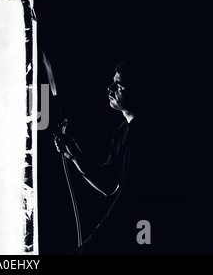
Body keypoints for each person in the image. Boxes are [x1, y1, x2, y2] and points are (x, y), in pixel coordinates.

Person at [54, 60, 159, 254]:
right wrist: (74, 154)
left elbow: (128, 197)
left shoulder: (146, 136)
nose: (110, 88)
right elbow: (108, 184)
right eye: (113, 82)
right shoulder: (123, 131)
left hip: (145, 234)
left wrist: (94, 242)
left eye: (119, 85)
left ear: (138, 93)